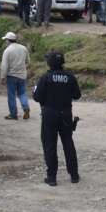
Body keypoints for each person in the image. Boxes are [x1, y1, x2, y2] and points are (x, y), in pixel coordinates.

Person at [33, 51, 82, 186]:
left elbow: (37, 97)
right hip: (65, 114)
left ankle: (52, 177)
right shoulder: (70, 77)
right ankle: (74, 175)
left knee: (50, 145)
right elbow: (77, 95)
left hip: (50, 114)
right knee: (68, 143)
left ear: (49, 63)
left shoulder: (45, 78)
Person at [0, 32, 30, 120]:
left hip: (11, 76)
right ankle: (26, 108)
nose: (5, 42)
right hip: (22, 75)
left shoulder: (7, 50)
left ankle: (13, 114)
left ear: (8, 40)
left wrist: (2, 77)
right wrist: (23, 68)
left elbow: (4, 66)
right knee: (22, 93)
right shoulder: (23, 48)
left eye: (6, 40)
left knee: (11, 95)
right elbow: (28, 61)